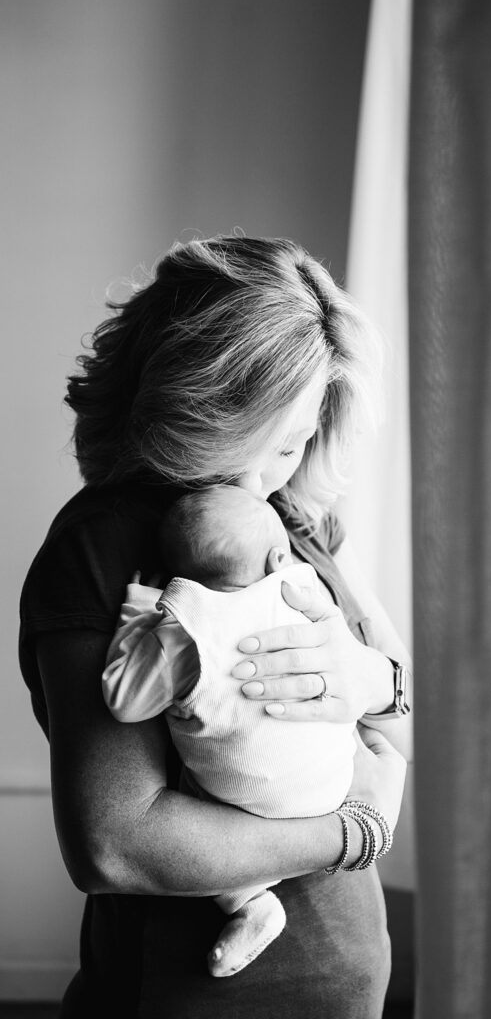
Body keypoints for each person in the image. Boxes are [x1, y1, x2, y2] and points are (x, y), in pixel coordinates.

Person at [19, 235, 411, 1019]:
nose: (263, 480)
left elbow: (398, 694)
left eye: (295, 442)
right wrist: (356, 829)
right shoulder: (106, 543)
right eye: (257, 443)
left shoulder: (296, 516)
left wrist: (369, 679)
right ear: (198, 412)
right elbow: (117, 843)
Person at [102, 484, 386, 978]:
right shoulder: (305, 597)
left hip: (248, 806)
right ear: (279, 557)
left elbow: (123, 701)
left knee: (189, 785)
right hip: (335, 785)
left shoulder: (182, 635)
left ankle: (250, 901)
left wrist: (137, 614)